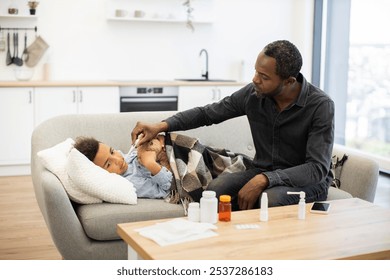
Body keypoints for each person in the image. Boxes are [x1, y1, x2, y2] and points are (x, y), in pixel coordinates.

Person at [131, 40, 335, 210]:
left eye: (264, 77)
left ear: (289, 81)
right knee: (215, 191)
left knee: (270, 199)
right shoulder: (254, 94)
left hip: (307, 182)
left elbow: (316, 168)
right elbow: (207, 113)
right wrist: (161, 126)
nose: (255, 80)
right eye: (256, 72)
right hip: (262, 171)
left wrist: (265, 179)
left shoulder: (320, 106)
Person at [73, 135, 172, 199]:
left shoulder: (125, 157)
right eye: (108, 164)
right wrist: (150, 163)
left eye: (112, 151)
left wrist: (151, 139)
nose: (118, 160)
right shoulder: (131, 182)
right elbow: (168, 190)